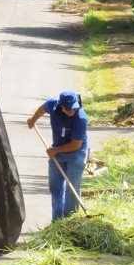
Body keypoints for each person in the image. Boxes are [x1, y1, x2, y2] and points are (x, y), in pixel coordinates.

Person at [26, 90, 89, 221]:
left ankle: (70, 222)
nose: (72, 111)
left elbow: (76, 145)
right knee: (55, 188)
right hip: (58, 152)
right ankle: (57, 222)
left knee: (72, 188)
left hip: (76, 154)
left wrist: (55, 151)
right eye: (68, 108)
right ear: (61, 106)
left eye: (74, 107)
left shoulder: (81, 118)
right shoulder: (52, 104)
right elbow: (42, 109)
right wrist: (33, 120)